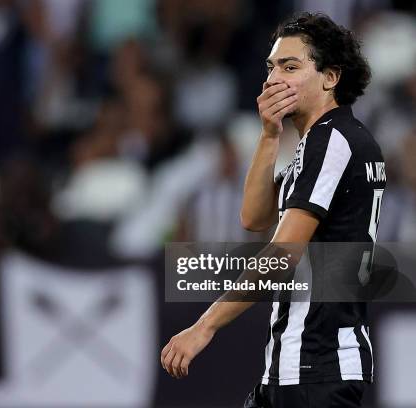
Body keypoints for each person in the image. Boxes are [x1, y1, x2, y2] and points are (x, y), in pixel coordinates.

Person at [160, 12, 385, 408]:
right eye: (271, 67)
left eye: (290, 66)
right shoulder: (321, 142)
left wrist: (203, 326)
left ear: (330, 77)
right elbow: (254, 218)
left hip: (317, 367)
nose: (273, 79)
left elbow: (280, 256)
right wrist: (268, 134)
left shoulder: (332, 141)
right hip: (297, 367)